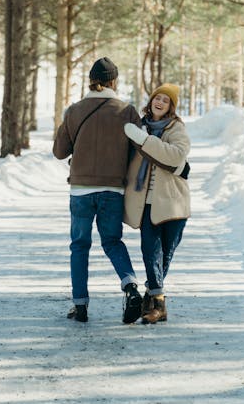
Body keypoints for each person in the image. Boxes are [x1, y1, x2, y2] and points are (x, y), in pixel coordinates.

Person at [53, 57, 143, 324]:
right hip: (112, 189)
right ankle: (130, 286)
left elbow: (59, 152)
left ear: (91, 81)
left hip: (80, 190)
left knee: (79, 246)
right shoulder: (126, 111)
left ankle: (80, 306)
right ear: (114, 81)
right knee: (112, 242)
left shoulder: (74, 110)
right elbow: (141, 147)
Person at [123, 83, 190, 324]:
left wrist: (146, 141)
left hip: (173, 202)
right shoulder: (137, 128)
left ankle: (150, 299)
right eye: (156, 98)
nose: (159, 102)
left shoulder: (176, 128)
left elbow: (176, 155)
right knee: (150, 253)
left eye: (165, 100)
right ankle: (159, 302)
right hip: (146, 203)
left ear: (171, 107)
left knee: (165, 255)